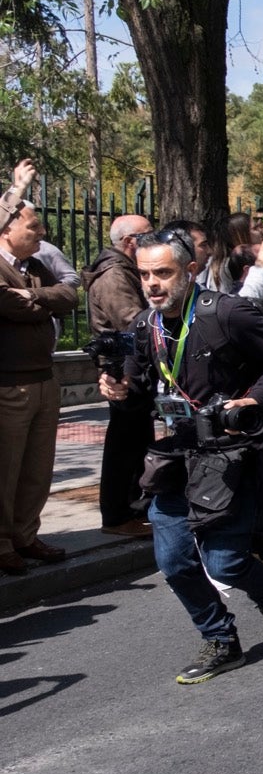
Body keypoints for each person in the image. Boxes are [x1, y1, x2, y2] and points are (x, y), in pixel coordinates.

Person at [99, 229, 263, 682]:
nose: (152, 283)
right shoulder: (144, 327)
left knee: (225, 562)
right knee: (173, 562)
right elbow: (134, 392)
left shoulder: (228, 313)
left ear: (190, 271)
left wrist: (252, 400)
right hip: (175, 455)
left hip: (231, 456)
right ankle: (221, 639)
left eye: (163, 273)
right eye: (145, 274)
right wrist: (117, 388)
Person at [0, 159, 75, 573]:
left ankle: (26, 535)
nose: (42, 233)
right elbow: (11, 306)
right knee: (6, 469)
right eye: (34, 226)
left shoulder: (37, 266)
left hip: (45, 379)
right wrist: (36, 299)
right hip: (9, 386)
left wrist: (35, 295)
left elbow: (69, 296)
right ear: (8, 228)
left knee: (38, 466)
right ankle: (2, 542)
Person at [85, 212, 156, 535]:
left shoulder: (122, 270)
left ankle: (131, 507)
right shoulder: (115, 275)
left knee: (137, 440)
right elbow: (133, 321)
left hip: (131, 369)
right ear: (130, 242)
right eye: (149, 234)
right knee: (124, 445)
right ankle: (117, 515)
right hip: (123, 371)